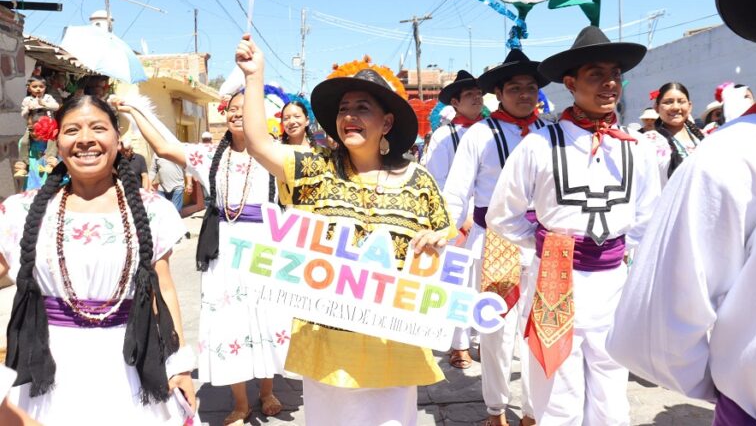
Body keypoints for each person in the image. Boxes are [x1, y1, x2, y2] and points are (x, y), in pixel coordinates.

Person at [236, 34, 455, 426]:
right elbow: (257, 143)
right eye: (343, 109)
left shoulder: (419, 181)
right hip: (328, 346)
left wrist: (438, 242)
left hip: (395, 344)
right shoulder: (315, 168)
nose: (349, 115)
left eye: (363, 108)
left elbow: (446, 240)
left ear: (387, 122)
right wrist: (255, 77)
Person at [606, 0, 756, 424]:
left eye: (683, 101)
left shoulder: (711, 143)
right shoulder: (728, 152)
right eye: (669, 101)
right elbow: (657, 333)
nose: (677, 107)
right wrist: (741, 380)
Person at [486, 26, 660, 425]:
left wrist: (621, 254)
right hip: (554, 278)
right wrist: (546, 244)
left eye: (614, 73)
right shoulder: (539, 144)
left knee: (611, 390)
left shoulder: (638, 148)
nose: (609, 83)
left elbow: (648, 217)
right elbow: (502, 213)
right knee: (555, 392)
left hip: (613, 283)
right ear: (570, 83)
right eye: (595, 74)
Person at [0, 95, 195, 425]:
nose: (85, 139)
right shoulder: (20, 211)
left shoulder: (152, 209)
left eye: (98, 128)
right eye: (72, 129)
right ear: (57, 141)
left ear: (118, 140)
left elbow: (164, 290)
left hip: (129, 367)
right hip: (48, 369)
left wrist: (180, 366)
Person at [116, 90, 290, 425]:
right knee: (230, 320)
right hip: (224, 249)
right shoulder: (211, 155)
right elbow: (166, 147)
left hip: (267, 248)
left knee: (266, 317)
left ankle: (267, 391)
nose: (237, 114)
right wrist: (138, 110)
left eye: (245, 108)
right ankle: (240, 403)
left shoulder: (278, 155)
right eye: (232, 109)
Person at [442, 50, 549, 426]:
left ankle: (535, 411)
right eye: (515, 88)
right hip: (497, 241)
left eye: (530, 87)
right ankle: (496, 409)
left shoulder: (550, 132)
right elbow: (455, 192)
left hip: (543, 241)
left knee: (540, 326)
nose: (524, 94)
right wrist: (445, 233)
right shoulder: (479, 135)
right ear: (499, 94)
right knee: (496, 330)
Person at [423, 70, 484, 191]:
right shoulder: (443, 135)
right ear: (455, 102)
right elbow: (437, 180)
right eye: (469, 94)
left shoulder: (493, 129)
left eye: (479, 93)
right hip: (460, 206)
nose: (477, 97)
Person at [643, 83, 705, 187]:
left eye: (681, 102)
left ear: (689, 106)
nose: (676, 107)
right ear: (656, 107)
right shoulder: (647, 142)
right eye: (668, 102)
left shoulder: (702, 137)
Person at [14, 76, 60, 179]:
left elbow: (56, 107)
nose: (38, 89)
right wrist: (27, 108)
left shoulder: (47, 98)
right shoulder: (27, 100)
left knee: (52, 140)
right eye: (34, 86)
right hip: (33, 125)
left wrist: (44, 104)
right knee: (24, 142)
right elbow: (23, 115)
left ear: (45, 87)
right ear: (29, 88)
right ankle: (22, 164)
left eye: (41, 86)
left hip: (48, 126)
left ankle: (50, 161)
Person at [13, 109, 59, 189]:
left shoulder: (58, 142)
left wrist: (58, 164)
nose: (34, 133)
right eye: (30, 129)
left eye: (38, 128)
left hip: (54, 189)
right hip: (31, 189)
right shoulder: (24, 143)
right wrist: (20, 166)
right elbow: (26, 166)